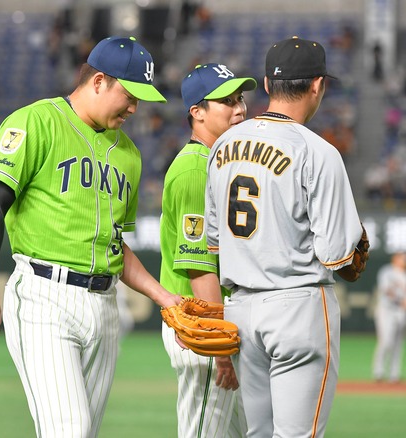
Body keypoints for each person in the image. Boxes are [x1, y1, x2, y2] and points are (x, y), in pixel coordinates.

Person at [0, 35, 180, 438]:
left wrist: (165, 297)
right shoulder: (35, 121)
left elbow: (117, 245)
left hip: (106, 306)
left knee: (81, 432)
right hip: (45, 296)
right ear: (99, 81)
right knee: (70, 429)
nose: (135, 107)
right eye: (130, 94)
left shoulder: (129, 154)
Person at [205, 36, 367, 438]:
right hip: (298, 306)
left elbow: (214, 242)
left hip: (241, 310)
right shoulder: (318, 151)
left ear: (265, 83)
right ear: (317, 85)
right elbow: (339, 257)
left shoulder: (223, 144)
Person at [160, 63, 256, 437]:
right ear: (196, 112)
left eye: (241, 98)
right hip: (203, 328)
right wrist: (220, 350)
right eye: (226, 101)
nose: (239, 109)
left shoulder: (218, 163)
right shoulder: (194, 171)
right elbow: (200, 268)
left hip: (221, 326)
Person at [372, 252, 406, 383]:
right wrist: (400, 300)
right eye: (402, 257)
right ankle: (378, 371)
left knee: (398, 343)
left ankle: (394, 374)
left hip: (401, 312)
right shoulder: (387, 271)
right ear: (395, 259)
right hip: (386, 310)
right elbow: (386, 290)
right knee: (386, 341)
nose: (404, 260)